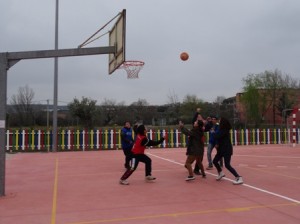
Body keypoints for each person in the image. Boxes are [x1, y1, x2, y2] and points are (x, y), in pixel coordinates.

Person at [212, 117, 243, 185]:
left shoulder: (224, 130)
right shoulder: (221, 129)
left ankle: (238, 177)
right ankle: (220, 173)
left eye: (220, 121)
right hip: (221, 149)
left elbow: (217, 136)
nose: (219, 122)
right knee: (215, 161)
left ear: (223, 123)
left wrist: (213, 132)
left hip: (226, 149)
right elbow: (217, 136)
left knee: (227, 165)